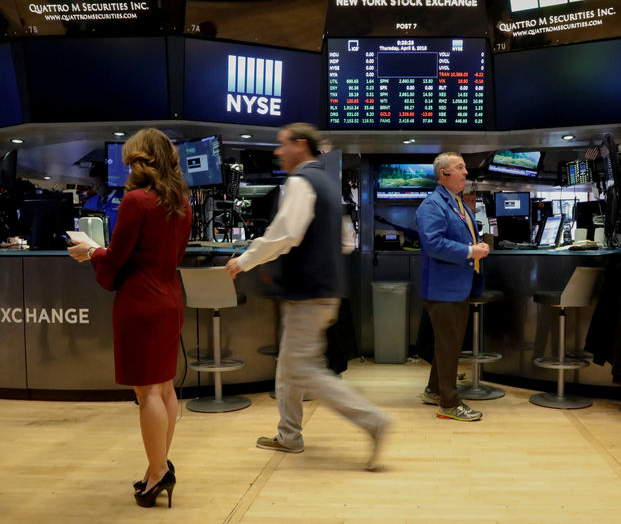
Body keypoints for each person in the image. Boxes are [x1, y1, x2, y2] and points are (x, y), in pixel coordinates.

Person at [224, 122, 390, 470]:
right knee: (289, 364)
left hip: (307, 293)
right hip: (323, 290)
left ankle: (373, 420)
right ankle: (289, 436)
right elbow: (346, 241)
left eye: (282, 144)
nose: (277, 151)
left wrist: (245, 260)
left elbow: (284, 234)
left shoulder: (301, 182)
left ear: (300, 145)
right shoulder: (328, 184)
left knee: (305, 370)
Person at [67, 128, 191, 508]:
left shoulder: (136, 201)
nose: (126, 169)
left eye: (130, 161)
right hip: (170, 299)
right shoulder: (181, 203)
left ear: (140, 161)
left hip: (141, 304)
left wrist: (90, 252)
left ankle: (158, 472)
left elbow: (118, 258)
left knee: (147, 391)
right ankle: (157, 468)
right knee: (165, 388)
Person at [415, 152, 490, 421]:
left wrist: (476, 245)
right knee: (449, 346)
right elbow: (433, 244)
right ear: (444, 174)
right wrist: (471, 251)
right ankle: (449, 404)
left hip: (455, 285)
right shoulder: (432, 205)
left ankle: (434, 390)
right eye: (460, 168)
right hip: (443, 288)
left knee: (445, 344)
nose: (466, 172)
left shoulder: (455, 202)